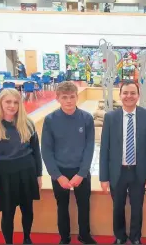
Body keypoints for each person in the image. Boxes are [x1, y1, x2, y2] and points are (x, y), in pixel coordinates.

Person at [99, 80, 146, 244]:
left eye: (133, 93)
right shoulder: (110, 117)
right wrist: (103, 177)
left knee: (137, 208)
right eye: (125, 93)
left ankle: (135, 237)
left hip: (139, 171)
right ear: (120, 95)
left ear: (138, 96)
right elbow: (104, 149)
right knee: (117, 207)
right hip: (117, 171)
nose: (129, 96)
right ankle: (119, 236)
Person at [41, 81, 96, 244]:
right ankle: (64, 237)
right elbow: (46, 150)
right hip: (60, 171)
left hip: (81, 171)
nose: (69, 101)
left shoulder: (86, 118)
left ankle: (84, 234)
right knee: (62, 206)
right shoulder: (50, 120)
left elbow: (89, 147)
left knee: (84, 206)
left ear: (77, 97)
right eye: (64, 97)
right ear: (58, 98)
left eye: (72, 97)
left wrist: (81, 173)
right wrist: (57, 176)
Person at [0, 88, 42, 244]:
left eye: (16, 102)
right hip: (4, 174)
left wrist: (39, 175)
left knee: (27, 209)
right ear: (0, 103)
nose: (12, 105)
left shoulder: (28, 124)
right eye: (8, 102)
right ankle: (9, 242)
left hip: (27, 171)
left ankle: (27, 238)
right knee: (8, 213)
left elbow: (36, 152)